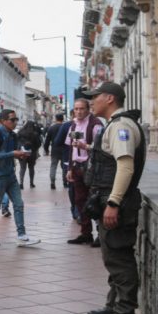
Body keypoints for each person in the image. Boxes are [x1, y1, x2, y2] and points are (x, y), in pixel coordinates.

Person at [81, 82, 146, 314]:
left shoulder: (121, 127)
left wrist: (114, 202)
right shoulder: (115, 125)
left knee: (120, 259)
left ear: (109, 98)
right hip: (108, 200)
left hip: (117, 203)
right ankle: (114, 306)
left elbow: (125, 167)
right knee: (113, 256)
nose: (91, 101)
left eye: (95, 97)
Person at [0, 110, 40, 246]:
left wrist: (20, 154)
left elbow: (12, 152)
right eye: (12, 120)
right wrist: (12, 154)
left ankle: (21, 235)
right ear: (3, 121)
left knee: (19, 204)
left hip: (10, 175)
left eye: (16, 119)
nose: (15, 122)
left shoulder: (13, 135)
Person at [65, 98, 104, 245]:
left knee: (95, 200)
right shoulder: (73, 125)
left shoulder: (95, 125)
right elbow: (71, 148)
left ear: (88, 109)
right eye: (76, 109)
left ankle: (101, 235)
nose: (79, 111)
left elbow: (101, 149)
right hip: (77, 167)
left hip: (91, 168)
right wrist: (69, 168)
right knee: (79, 201)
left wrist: (85, 146)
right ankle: (85, 233)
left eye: (82, 109)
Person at [43, 113, 68, 190]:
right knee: (65, 167)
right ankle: (65, 182)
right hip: (64, 150)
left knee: (53, 166)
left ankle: (52, 182)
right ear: (62, 119)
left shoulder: (51, 128)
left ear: (56, 119)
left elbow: (47, 140)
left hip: (55, 150)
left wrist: (46, 149)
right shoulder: (66, 127)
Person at [17, 120, 42, 189]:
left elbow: (16, 141)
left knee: (22, 168)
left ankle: (21, 183)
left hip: (22, 152)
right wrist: (34, 149)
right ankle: (31, 183)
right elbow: (39, 143)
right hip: (32, 153)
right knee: (31, 168)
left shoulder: (20, 132)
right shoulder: (35, 134)